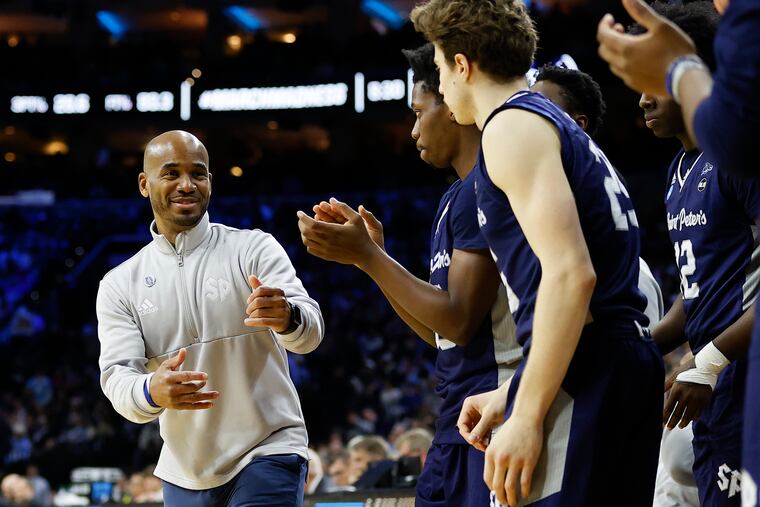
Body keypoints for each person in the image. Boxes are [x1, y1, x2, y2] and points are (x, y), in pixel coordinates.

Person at [411, 1, 664, 505]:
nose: (439, 86)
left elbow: (572, 275)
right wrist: (513, 392)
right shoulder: (549, 123)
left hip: (590, 369)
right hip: (616, 359)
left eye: (439, 69)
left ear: (462, 65)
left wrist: (527, 412)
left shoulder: (510, 127)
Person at [297, 42, 519, 507]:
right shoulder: (451, 201)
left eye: (419, 112)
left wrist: (373, 259)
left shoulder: (485, 187)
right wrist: (370, 259)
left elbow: (458, 320)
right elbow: (439, 335)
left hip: (492, 421)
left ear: (453, 104)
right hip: (454, 421)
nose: (414, 128)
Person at [96, 130, 324, 507]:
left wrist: (287, 317)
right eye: (171, 173)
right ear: (144, 183)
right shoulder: (120, 284)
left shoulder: (253, 248)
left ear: (210, 183)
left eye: (198, 174)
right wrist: (152, 389)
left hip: (267, 449)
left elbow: (311, 334)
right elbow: (118, 378)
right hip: (185, 468)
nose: (187, 185)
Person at [633, 5, 760, 506]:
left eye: (653, 83)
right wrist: (643, 345)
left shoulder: (740, 156)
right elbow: (697, 294)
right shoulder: (677, 173)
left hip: (743, 370)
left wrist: (709, 361)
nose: (643, 100)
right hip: (715, 382)